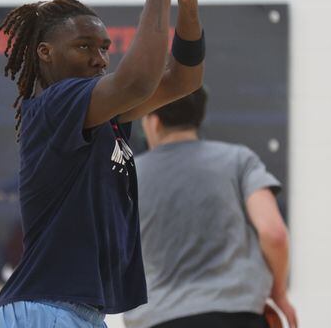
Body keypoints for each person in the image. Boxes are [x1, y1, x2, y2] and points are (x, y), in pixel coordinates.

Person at [0, 0, 220, 328]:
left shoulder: (103, 115)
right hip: (45, 308)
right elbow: (138, 79)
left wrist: (188, 3)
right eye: (84, 47)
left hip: (73, 310)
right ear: (45, 52)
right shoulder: (56, 103)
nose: (99, 58)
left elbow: (185, 80)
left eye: (104, 48)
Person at [123, 87, 298, 328]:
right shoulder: (239, 160)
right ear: (198, 117)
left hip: (160, 318)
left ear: (154, 122)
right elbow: (274, 233)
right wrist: (279, 292)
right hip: (239, 316)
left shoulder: (130, 177)